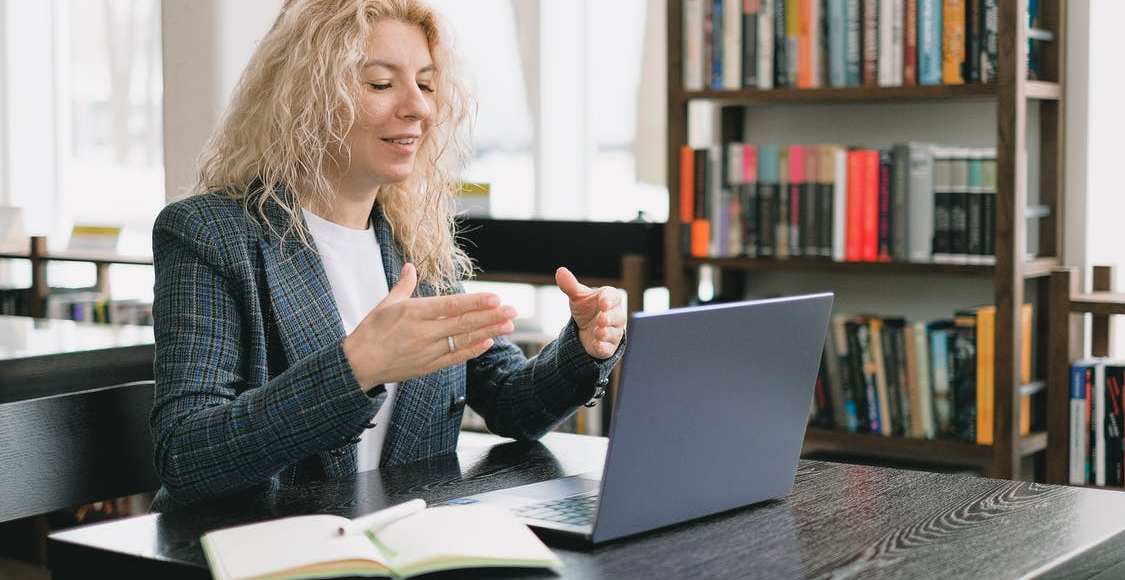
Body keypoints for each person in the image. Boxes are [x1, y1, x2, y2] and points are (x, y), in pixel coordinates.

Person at [149, 0, 626, 512]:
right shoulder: (207, 234)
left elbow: (510, 402)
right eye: (381, 83)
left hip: (404, 548)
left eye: (425, 83)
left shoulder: (415, 240)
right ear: (305, 96)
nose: (419, 108)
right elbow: (187, 454)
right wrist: (356, 367)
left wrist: (582, 346)